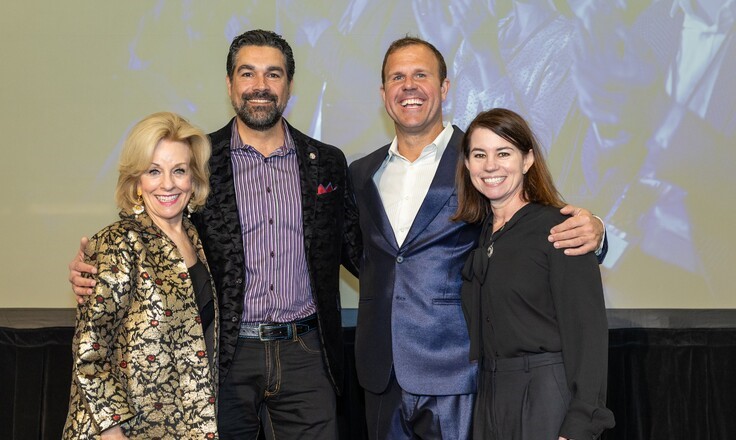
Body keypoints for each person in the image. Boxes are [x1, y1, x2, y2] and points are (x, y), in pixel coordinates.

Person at [70, 30, 360, 440]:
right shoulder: (199, 158)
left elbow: (359, 250)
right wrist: (95, 268)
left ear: (289, 86)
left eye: (273, 74)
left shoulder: (326, 162)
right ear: (230, 85)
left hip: (306, 354)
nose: (260, 86)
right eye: (248, 74)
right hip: (223, 355)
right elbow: (150, 225)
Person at [349, 37, 606, 439]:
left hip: (458, 372)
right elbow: (360, 255)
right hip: (382, 374)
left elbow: (529, 219)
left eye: (421, 74)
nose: (409, 85)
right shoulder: (362, 172)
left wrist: (598, 231)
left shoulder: (479, 159)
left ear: (445, 87)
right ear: (384, 94)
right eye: (397, 77)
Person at [456, 108, 615, 439]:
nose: (490, 165)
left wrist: (580, 424)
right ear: (468, 164)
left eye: (504, 153)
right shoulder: (481, 232)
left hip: (546, 397)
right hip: (489, 394)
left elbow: (588, 337)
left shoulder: (561, 229)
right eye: (479, 154)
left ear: (527, 160)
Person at [62, 112, 219, 439]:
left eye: (179, 171)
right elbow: (89, 353)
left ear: (194, 179)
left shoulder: (195, 239)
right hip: (123, 432)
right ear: (136, 182)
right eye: (153, 171)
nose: (168, 184)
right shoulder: (118, 243)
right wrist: (112, 431)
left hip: (182, 427)